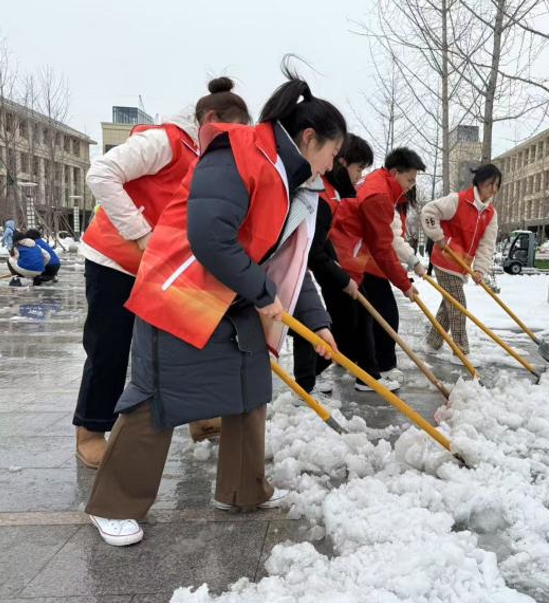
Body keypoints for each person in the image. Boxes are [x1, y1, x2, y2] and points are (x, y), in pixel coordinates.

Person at [84, 70, 345, 547]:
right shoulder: (239, 152)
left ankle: (243, 490)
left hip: (235, 293)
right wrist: (262, 294)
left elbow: (287, 261)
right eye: (333, 152)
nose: (332, 165)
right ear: (310, 138)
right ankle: (114, 505)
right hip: (182, 289)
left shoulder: (293, 182)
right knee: (156, 396)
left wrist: (317, 322)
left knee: (250, 387)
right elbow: (209, 236)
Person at [73, 77, 251, 469]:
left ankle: (199, 416)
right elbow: (101, 174)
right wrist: (140, 233)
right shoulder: (164, 141)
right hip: (115, 260)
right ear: (210, 119)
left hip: (160, 268)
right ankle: (90, 431)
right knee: (110, 347)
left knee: (181, 345)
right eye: (231, 132)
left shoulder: (207, 156)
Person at [329, 147, 426, 392]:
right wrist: (405, 284)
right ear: (394, 172)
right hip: (350, 256)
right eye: (409, 180)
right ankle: (370, 371)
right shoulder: (379, 196)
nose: (411, 186)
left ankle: (366, 371)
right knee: (372, 317)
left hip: (352, 254)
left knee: (360, 319)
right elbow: (382, 247)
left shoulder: (381, 186)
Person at [292, 133, 373, 395]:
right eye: (358, 169)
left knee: (316, 321)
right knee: (310, 320)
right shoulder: (323, 196)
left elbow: (322, 241)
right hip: (290, 263)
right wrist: (342, 278)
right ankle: (304, 387)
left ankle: (306, 383)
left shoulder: (331, 193)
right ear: (342, 162)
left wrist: (338, 268)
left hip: (303, 262)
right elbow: (314, 252)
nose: (359, 176)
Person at [421, 163, 501, 357]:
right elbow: (429, 211)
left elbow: (486, 245)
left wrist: (479, 270)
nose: (493, 189)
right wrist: (438, 236)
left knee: (449, 306)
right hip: (445, 259)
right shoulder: (458, 200)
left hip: (461, 266)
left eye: (497, 185)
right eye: (490, 184)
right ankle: (461, 351)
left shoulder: (490, 214)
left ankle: (432, 343)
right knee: (458, 305)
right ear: (480, 182)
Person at [364, 182, 425, 380]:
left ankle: (363, 359)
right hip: (368, 262)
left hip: (372, 262)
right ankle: (384, 365)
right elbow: (392, 242)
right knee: (386, 314)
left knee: (368, 316)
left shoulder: (397, 205)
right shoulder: (386, 201)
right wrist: (413, 263)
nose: (408, 188)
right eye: (408, 182)